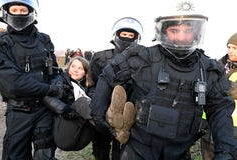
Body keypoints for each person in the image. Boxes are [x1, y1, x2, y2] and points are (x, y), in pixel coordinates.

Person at [90, 1, 237, 160]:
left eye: (188, 31)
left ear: (197, 33)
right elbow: (108, 75)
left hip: (179, 151)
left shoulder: (208, 70)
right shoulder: (142, 58)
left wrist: (225, 151)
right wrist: (98, 116)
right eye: (175, 30)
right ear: (164, 31)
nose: (182, 37)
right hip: (138, 149)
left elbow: (220, 110)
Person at [0, 0, 67, 159]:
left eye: (23, 10)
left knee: (46, 155)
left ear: (31, 12)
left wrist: (58, 81)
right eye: (15, 9)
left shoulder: (45, 40)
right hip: (18, 112)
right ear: (6, 12)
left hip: (45, 109)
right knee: (16, 156)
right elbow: (14, 83)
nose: (20, 13)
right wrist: (50, 89)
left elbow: (54, 70)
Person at [90, 17, 144, 160]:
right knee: (100, 149)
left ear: (136, 38)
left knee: (121, 150)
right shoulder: (100, 57)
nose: (126, 38)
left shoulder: (142, 60)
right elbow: (94, 81)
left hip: (128, 114)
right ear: (116, 35)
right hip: (103, 109)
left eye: (130, 35)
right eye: (123, 34)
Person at [42, 56, 95, 151]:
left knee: (93, 102)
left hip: (81, 137)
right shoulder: (61, 80)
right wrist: (65, 110)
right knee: (82, 101)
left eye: (80, 68)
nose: (75, 70)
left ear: (86, 73)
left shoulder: (87, 87)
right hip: (64, 131)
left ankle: (114, 126)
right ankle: (109, 124)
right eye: (73, 66)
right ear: (68, 67)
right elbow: (48, 98)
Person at [201, 32, 237, 160]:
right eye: (229, 47)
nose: (230, 51)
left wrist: (217, 84)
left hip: (233, 127)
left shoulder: (216, 71)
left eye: (235, 48)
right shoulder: (218, 66)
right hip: (209, 122)